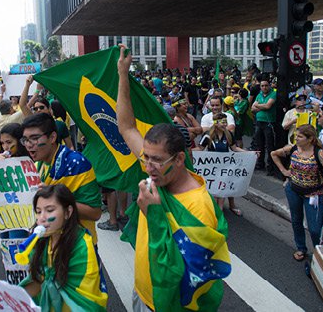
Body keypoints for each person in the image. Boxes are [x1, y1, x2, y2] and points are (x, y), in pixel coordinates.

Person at [115, 45, 230, 311]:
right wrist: (123, 74)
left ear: (179, 159)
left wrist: (154, 216)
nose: (148, 167)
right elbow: (126, 126)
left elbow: (183, 273)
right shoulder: (158, 173)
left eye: (156, 160)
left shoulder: (198, 206)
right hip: (143, 293)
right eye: (145, 158)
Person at [16, 185, 108, 311]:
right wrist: (1, 300)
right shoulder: (41, 242)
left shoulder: (82, 246)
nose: (42, 218)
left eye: (49, 210)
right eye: (38, 211)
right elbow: (38, 282)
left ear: (68, 212)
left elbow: (84, 300)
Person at [22, 113, 103, 245]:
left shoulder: (76, 164)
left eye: (34, 138)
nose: (29, 145)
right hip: (49, 241)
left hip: (78, 246)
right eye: (25, 139)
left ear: (52, 137)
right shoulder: (38, 165)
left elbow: (94, 213)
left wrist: (55, 197)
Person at [270, 125, 323, 263]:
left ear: (310, 139)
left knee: (315, 229)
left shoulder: (320, 154)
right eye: (296, 136)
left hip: (314, 195)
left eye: (299, 136)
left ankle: (320, 254)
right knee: (296, 221)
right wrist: (284, 171)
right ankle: (301, 248)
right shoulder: (292, 149)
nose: (296, 138)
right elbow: (273, 154)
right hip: (293, 191)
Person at [195, 113, 248, 216]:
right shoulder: (208, 135)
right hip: (212, 168)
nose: (225, 124)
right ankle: (214, 212)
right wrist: (187, 151)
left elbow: (234, 148)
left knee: (222, 189)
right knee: (214, 192)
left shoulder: (228, 134)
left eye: (226, 122)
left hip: (224, 167)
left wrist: (250, 153)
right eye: (223, 122)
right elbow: (200, 148)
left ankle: (219, 212)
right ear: (216, 123)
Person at [251, 80, 279, 175]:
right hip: (259, 122)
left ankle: (270, 166)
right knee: (259, 144)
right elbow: (252, 108)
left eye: (266, 85)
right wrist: (261, 106)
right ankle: (260, 163)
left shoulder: (273, 94)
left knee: (269, 145)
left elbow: (268, 106)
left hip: (269, 122)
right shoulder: (259, 95)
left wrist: (258, 106)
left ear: (269, 86)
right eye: (262, 86)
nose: (264, 87)